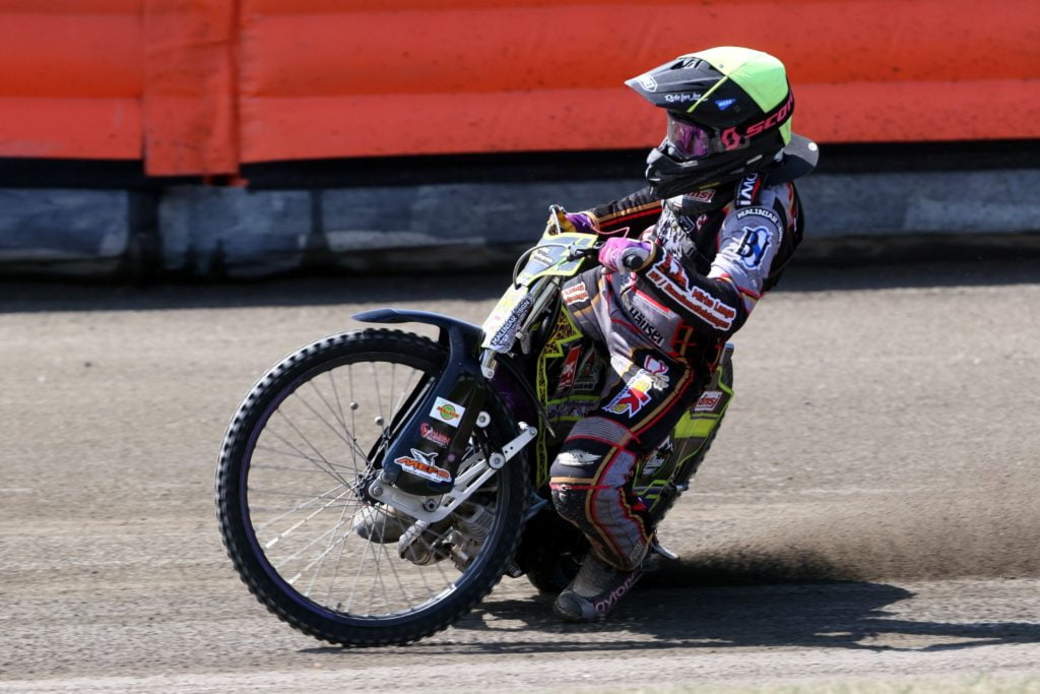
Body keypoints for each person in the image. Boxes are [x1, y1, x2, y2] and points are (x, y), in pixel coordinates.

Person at [547, 46, 818, 622]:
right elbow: (659, 201)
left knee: (578, 480)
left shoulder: (759, 211)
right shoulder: (709, 168)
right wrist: (588, 223)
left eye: (692, 136)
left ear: (741, 138)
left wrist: (650, 263)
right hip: (609, 299)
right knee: (520, 345)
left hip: (668, 354)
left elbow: (724, 309)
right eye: (675, 129)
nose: (675, 146)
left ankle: (623, 557)